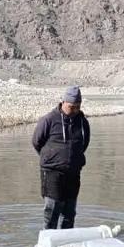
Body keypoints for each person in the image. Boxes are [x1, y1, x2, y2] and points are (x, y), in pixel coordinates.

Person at [32, 86, 90, 229]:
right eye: (72, 107)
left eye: (78, 107)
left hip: (73, 172)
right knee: (52, 211)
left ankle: (66, 244)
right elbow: (36, 142)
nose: (75, 110)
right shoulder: (48, 120)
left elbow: (84, 143)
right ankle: (48, 242)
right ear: (63, 102)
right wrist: (52, 158)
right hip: (52, 172)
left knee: (69, 213)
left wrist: (73, 158)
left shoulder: (82, 122)